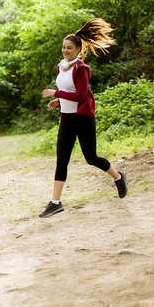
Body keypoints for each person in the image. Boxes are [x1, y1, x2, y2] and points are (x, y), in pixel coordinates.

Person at [40, 18, 128, 218]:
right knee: (61, 160)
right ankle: (56, 202)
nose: (65, 50)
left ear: (78, 49)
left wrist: (56, 94)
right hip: (67, 118)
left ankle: (118, 177)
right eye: (63, 47)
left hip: (83, 118)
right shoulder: (61, 66)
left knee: (91, 158)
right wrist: (58, 103)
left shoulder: (82, 69)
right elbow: (66, 91)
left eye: (69, 48)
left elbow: (80, 95)